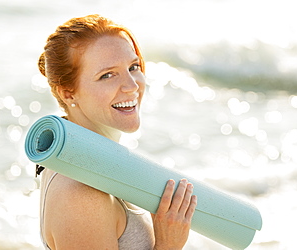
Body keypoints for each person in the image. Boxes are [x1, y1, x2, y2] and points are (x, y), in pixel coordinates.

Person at [36, 14, 197, 249]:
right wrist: (168, 245)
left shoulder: (95, 164)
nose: (132, 85)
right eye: (107, 75)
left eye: (133, 67)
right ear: (68, 93)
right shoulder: (82, 194)